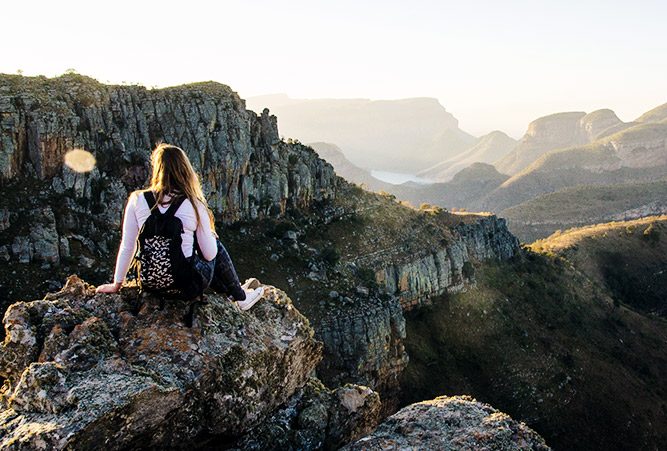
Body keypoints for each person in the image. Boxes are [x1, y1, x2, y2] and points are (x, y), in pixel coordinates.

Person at [96, 143, 264, 310]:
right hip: (186, 287)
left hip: (151, 285)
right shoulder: (194, 203)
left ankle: (234, 293)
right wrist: (209, 236)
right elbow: (209, 254)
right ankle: (240, 297)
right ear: (185, 170)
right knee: (214, 244)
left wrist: (117, 284)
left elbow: (128, 246)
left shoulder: (136, 200)